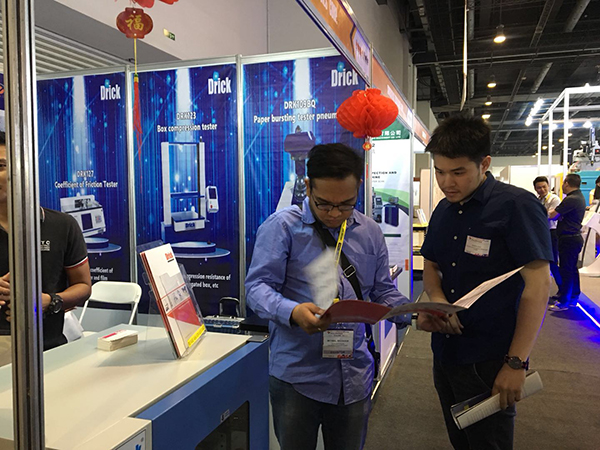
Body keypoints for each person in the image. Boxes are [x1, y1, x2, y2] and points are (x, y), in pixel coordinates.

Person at [245, 143, 419, 450]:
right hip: (298, 375)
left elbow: (382, 289)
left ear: (358, 187)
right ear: (308, 186)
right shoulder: (282, 227)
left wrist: (413, 312)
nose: (335, 214)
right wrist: (292, 312)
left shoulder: (369, 231)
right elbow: (256, 288)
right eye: (324, 204)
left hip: (354, 375)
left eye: (346, 204)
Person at [417, 115, 552, 450]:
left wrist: (516, 362)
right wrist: (437, 300)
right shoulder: (443, 210)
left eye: (458, 172)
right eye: (440, 171)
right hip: (446, 352)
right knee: (460, 441)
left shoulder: (516, 206)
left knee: (489, 443)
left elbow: (538, 287)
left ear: (484, 163)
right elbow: (431, 264)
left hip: (491, 357)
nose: (447, 182)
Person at [0, 131, 91, 351]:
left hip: (47, 345)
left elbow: (83, 286)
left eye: (1, 166)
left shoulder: (62, 225)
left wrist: (50, 302)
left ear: (22, 170)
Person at [548, 173, 587, 311]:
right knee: (571, 269)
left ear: (567, 183)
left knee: (566, 270)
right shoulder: (578, 197)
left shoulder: (571, 199)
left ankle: (564, 301)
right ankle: (572, 298)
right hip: (572, 238)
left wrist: (546, 211)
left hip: (569, 239)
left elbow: (553, 215)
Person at [533, 176, 562, 287]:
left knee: (553, 261)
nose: (542, 189)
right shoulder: (537, 199)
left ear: (548, 186)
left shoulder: (554, 199)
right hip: (541, 233)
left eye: (544, 187)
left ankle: (561, 287)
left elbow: (550, 215)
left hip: (552, 232)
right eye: (539, 187)